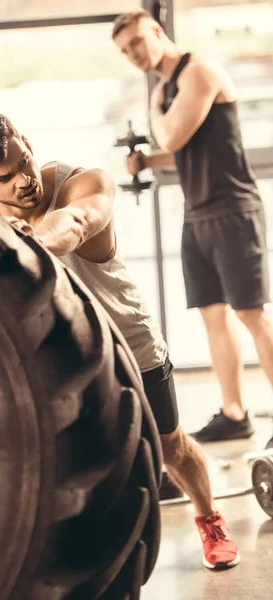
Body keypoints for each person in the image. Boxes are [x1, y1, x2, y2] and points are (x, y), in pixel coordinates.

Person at [0, 111, 239, 570]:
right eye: (5, 177)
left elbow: (73, 223)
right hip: (56, 352)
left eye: (24, 163)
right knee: (60, 457)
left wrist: (25, 244)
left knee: (170, 445)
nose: (24, 181)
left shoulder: (84, 183)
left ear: (28, 143)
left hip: (127, 339)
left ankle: (209, 517)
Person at [112, 10, 273, 446]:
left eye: (138, 43)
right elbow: (181, 151)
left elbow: (173, 136)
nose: (134, 55)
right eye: (125, 51)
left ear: (158, 33)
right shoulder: (168, 89)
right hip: (197, 211)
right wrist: (145, 161)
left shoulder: (198, 73)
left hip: (233, 209)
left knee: (252, 315)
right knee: (213, 316)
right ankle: (235, 412)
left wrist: (154, 120)